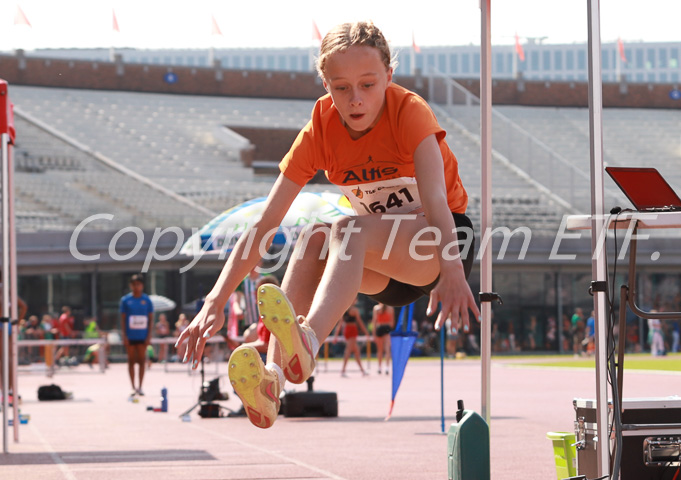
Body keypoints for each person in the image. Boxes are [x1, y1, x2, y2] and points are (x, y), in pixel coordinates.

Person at [177, 21, 479, 430]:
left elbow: (438, 202)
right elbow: (266, 223)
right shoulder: (320, 127)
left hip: (442, 243)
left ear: (389, 76)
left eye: (368, 85)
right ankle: (273, 379)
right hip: (381, 265)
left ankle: (310, 341)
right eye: (341, 88)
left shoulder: (409, 112)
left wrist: (454, 269)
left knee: (345, 230)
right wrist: (215, 299)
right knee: (314, 236)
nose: (355, 100)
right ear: (325, 84)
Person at [120, 274, 154, 396]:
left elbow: (151, 319)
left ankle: (140, 387)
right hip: (130, 336)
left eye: (138, 284)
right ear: (131, 285)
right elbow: (123, 319)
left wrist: (149, 336)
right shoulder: (125, 300)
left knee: (141, 360)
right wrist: (124, 335)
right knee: (131, 361)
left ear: (142, 286)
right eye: (134, 284)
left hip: (142, 336)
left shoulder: (147, 301)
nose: (136, 287)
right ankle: (132, 387)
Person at [333, 299, 369, 376]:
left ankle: (362, 371)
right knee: (348, 350)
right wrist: (366, 333)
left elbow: (340, 324)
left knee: (356, 351)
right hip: (352, 330)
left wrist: (336, 336)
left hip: (346, 330)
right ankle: (343, 371)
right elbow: (360, 322)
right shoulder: (354, 310)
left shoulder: (343, 309)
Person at [371, 302, 394, 374]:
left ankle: (380, 367)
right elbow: (392, 323)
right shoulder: (390, 308)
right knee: (387, 349)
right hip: (386, 328)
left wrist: (374, 333)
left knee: (380, 350)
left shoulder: (376, 308)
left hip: (380, 327)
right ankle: (386, 367)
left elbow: (374, 321)